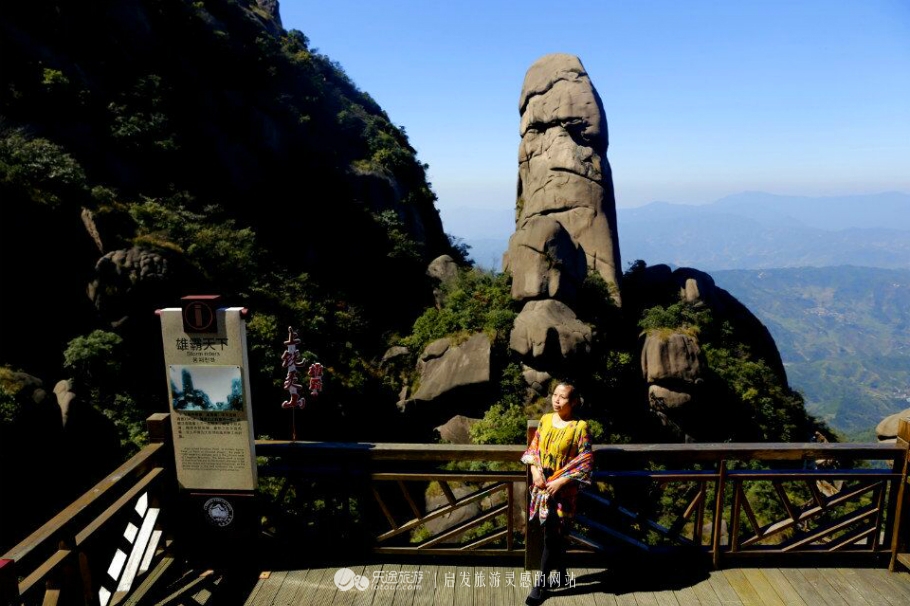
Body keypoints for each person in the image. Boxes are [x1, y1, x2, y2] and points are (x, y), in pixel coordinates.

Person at [521, 382, 594, 605]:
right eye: (555, 395)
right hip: (542, 487)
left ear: (573, 402)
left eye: (562, 397)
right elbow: (535, 448)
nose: (556, 400)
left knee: (551, 536)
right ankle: (561, 574)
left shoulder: (579, 427)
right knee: (554, 533)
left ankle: (540, 585)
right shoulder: (545, 420)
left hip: (563, 491)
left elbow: (586, 460)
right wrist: (534, 471)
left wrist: (561, 481)